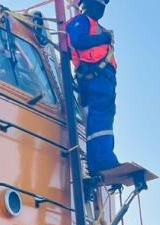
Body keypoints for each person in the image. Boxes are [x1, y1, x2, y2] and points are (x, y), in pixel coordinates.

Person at [67, 0, 119, 174]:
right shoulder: (81, 21)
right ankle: (104, 160)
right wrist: (103, 38)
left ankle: (98, 162)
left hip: (102, 78)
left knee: (101, 118)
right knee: (101, 118)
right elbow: (78, 40)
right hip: (96, 78)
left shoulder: (93, 24)